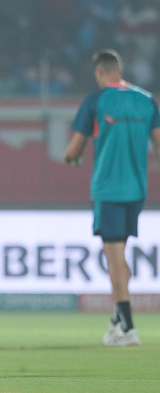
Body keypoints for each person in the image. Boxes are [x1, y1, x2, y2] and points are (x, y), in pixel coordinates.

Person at [64, 49, 160, 347]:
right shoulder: (147, 100)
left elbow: (73, 150)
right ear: (120, 69)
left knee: (113, 256)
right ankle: (117, 321)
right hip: (136, 190)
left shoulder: (96, 101)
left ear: (99, 73)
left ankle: (128, 327)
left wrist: (73, 158)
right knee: (119, 253)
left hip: (108, 189)